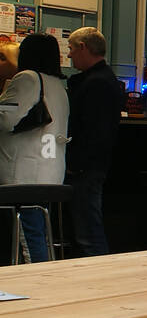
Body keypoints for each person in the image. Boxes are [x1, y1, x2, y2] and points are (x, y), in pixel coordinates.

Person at [0, 34, 69, 262]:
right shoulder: (57, 84)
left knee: (28, 238)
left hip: (24, 174)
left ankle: (38, 284)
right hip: (50, 172)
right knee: (37, 232)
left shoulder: (27, 78)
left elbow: (5, 119)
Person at [65, 28, 124, 256]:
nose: (69, 55)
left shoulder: (95, 83)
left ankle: (98, 277)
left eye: (70, 48)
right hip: (94, 164)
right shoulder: (105, 79)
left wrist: (75, 163)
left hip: (86, 167)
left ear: (83, 47)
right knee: (87, 227)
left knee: (87, 231)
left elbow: (93, 131)